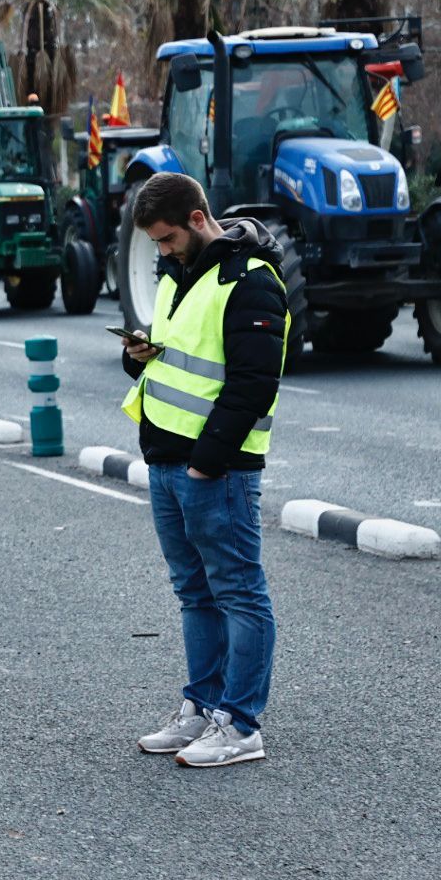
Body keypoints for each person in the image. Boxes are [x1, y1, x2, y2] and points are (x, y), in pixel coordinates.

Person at [120, 172, 288, 769]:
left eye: (165, 240)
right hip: (168, 461)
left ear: (198, 219)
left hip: (216, 471)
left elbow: (252, 386)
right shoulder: (176, 276)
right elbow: (172, 359)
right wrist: (135, 353)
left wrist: (205, 466)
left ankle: (240, 724)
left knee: (239, 592)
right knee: (194, 593)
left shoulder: (251, 282)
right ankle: (202, 706)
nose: (160, 252)